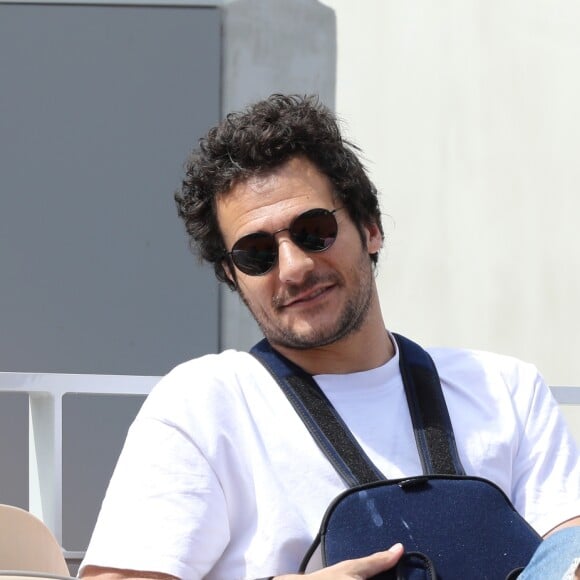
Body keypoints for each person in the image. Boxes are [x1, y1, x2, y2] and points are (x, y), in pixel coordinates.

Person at [80, 94, 580, 579]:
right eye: (256, 253)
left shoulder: (505, 389)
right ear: (232, 276)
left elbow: (569, 547)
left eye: (314, 230)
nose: (294, 268)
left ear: (371, 226)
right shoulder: (204, 403)